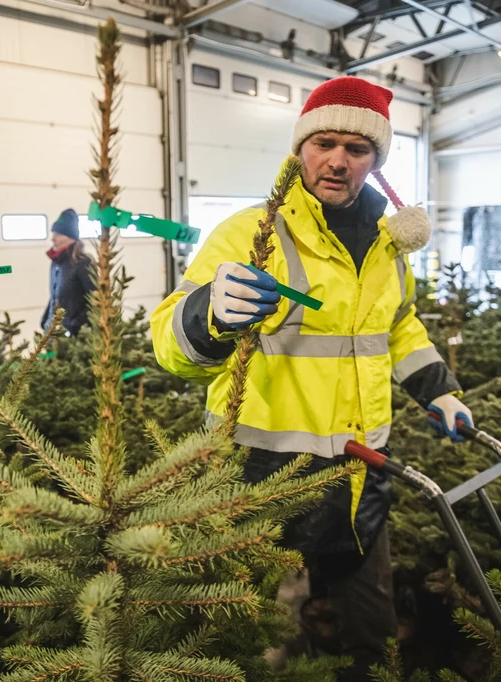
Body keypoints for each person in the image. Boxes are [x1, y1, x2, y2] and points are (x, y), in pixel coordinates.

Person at [150, 77, 472, 678]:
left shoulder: (387, 244)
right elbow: (168, 340)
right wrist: (212, 314)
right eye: (324, 142)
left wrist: (440, 390)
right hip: (261, 476)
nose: (337, 160)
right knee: (262, 633)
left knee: (370, 627)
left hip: (359, 473)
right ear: (301, 148)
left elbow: (398, 327)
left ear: (375, 161)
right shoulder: (252, 232)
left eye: (357, 148)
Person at [42, 209, 96, 336]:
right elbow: (55, 297)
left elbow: (94, 299)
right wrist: (45, 321)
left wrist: (76, 325)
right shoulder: (56, 263)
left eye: (58, 234)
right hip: (55, 333)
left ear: (71, 237)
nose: (53, 238)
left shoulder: (82, 263)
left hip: (75, 336)